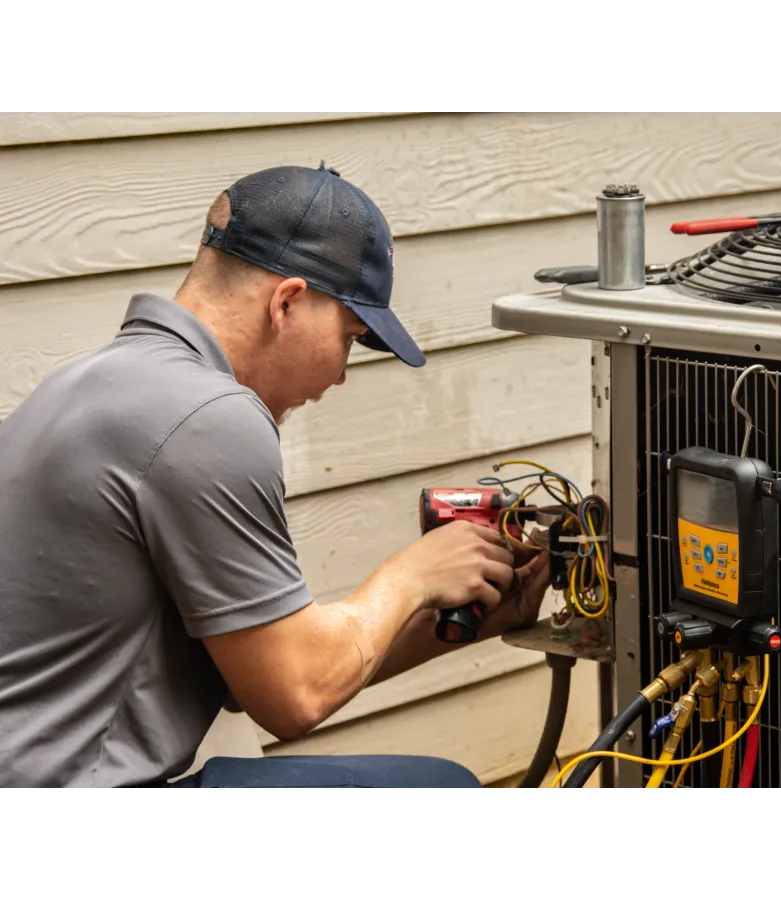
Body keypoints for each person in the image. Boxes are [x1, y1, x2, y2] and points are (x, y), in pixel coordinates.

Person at [0, 162, 550, 791]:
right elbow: (296, 696)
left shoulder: (95, 383)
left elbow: (259, 675)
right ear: (287, 302)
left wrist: (473, 618)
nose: (341, 374)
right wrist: (415, 574)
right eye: (349, 336)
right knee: (440, 791)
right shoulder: (209, 416)